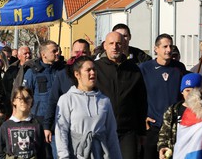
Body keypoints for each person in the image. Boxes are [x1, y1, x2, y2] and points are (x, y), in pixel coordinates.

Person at [55, 55, 121, 158]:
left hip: (100, 153)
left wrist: (117, 156)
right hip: (77, 153)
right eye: (88, 70)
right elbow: (61, 130)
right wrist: (63, 156)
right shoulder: (67, 99)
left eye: (94, 69)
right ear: (77, 74)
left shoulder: (104, 101)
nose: (93, 73)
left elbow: (111, 134)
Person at [94, 31, 147, 159]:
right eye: (111, 43)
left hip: (127, 131)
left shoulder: (134, 69)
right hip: (101, 129)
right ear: (105, 46)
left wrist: (141, 132)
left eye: (118, 43)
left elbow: (141, 101)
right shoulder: (95, 68)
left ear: (124, 45)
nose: (115, 47)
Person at [139, 34, 187, 159]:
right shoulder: (145, 68)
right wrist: (142, 117)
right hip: (153, 126)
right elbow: (137, 95)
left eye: (170, 46)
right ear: (156, 49)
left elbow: (184, 94)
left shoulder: (179, 68)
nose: (169, 50)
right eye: (165, 46)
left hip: (174, 126)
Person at [21, 40, 64, 158]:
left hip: (60, 120)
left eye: (58, 50)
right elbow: (24, 98)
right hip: (39, 121)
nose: (58, 53)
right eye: (54, 51)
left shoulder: (62, 71)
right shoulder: (32, 72)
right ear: (43, 54)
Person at [157, 73, 202, 159]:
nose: (190, 94)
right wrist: (162, 147)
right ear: (182, 92)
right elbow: (164, 133)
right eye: (187, 90)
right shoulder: (173, 110)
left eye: (194, 90)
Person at [0, 86, 45, 159]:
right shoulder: (6, 126)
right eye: (20, 98)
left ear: (32, 101)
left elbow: (43, 153)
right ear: (14, 101)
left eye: (27, 98)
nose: (24, 101)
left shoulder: (37, 125)